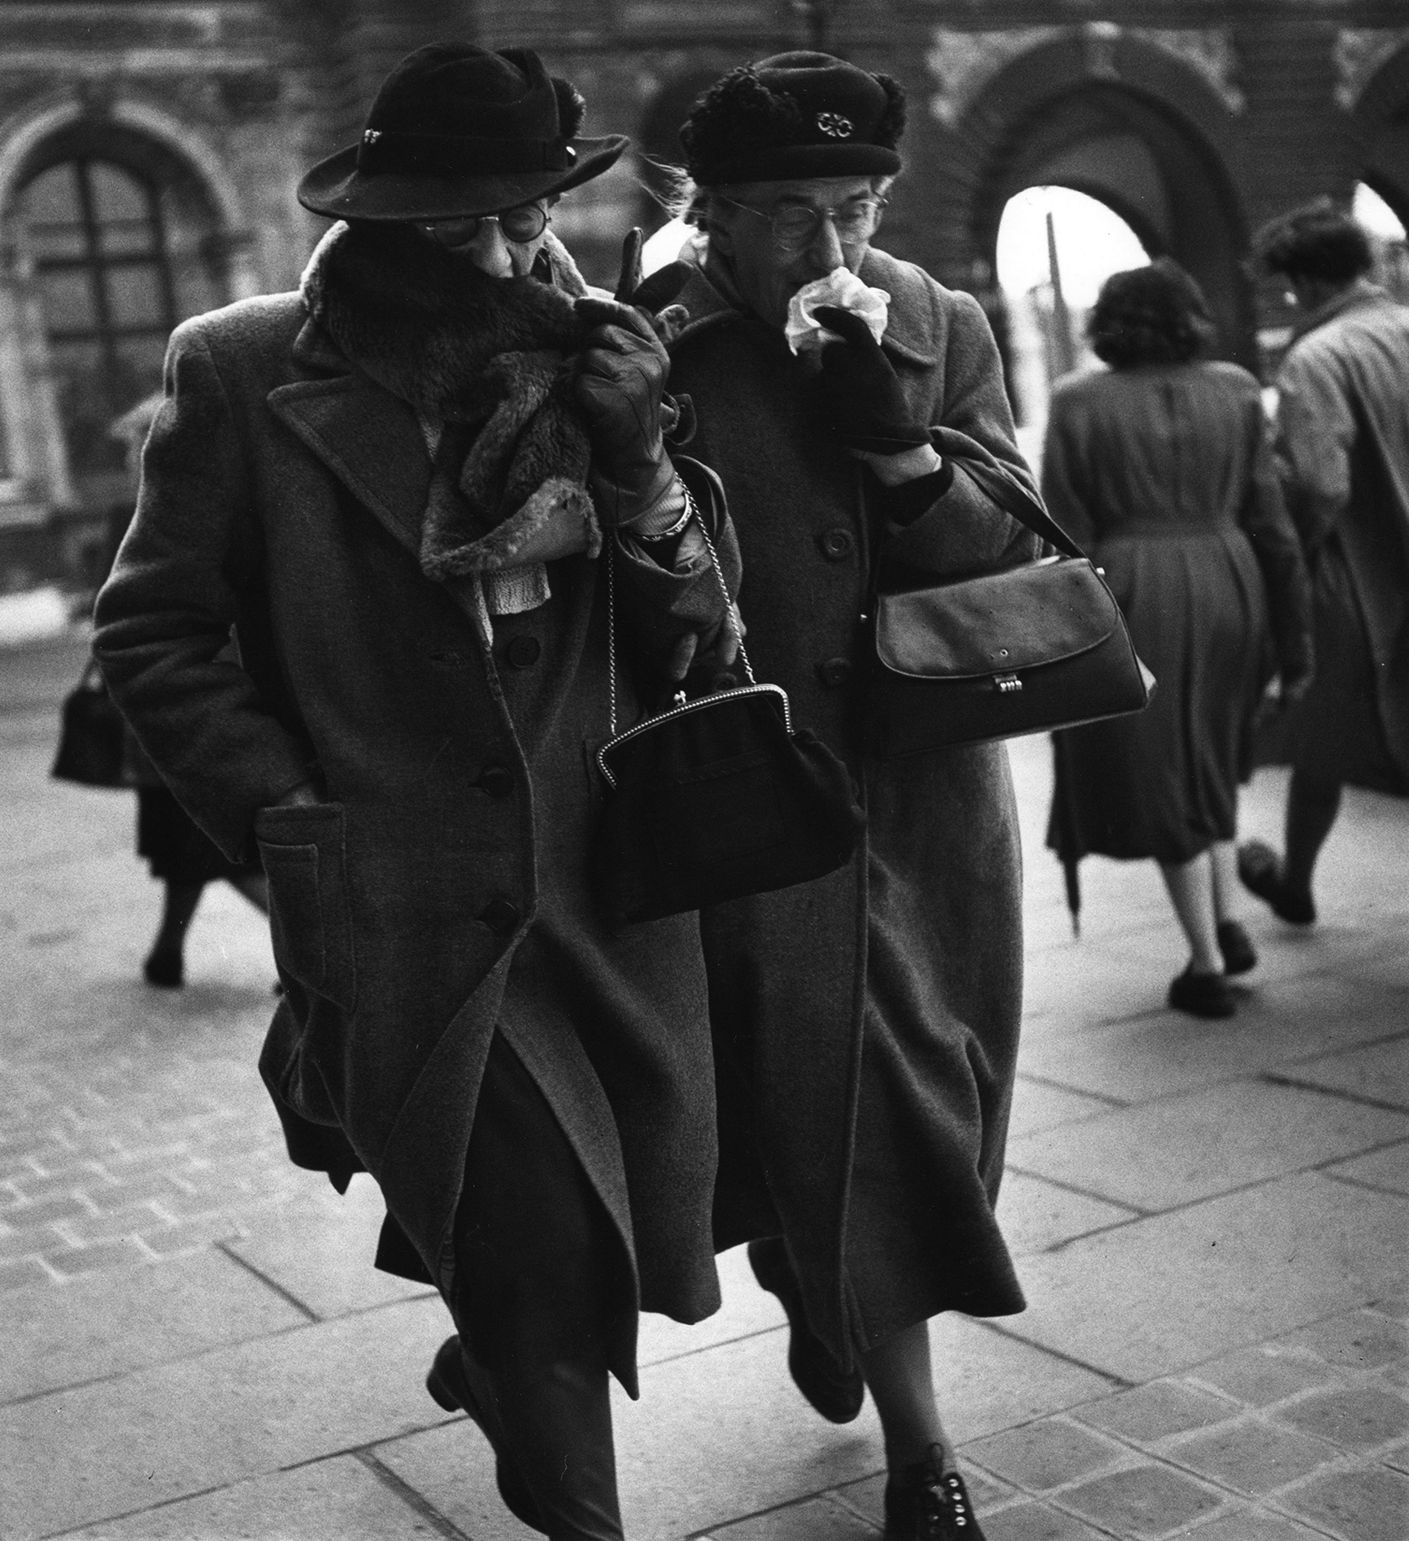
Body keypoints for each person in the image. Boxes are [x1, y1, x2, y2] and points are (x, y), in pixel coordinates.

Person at [94, 43, 740, 1541]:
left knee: (588, 1226)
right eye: (472, 227)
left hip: (602, 868)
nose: (518, 254)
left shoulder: (603, 363)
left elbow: (709, 627)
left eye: (534, 218)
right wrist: (290, 823)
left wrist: (643, 462)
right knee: (536, 1230)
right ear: (386, 223)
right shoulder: (248, 369)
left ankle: (502, 1353)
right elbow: (153, 632)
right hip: (398, 882)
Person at [662, 51, 1047, 1540]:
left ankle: (829, 1295)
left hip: (933, 780)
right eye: (789, 213)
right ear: (716, 216)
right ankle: (922, 1451)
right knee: (848, 1096)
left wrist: (896, 446)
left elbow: (1003, 552)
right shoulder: (650, 341)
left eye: (858, 202)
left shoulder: (934, 317)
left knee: (946, 1091)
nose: (830, 248)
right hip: (763, 797)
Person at [1040, 261, 1313, 1018]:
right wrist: (1293, 646)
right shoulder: (1232, 388)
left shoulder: (1075, 400)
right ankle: (1223, 923)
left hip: (1131, 589)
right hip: (1233, 579)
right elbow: (1273, 524)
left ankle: (1203, 964)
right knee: (1210, 758)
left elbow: (1065, 531)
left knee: (1162, 771)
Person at [1239, 200, 1409, 925]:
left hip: (1367, 580)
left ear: (1305, 285)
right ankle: (1295, 882)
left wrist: (1293, 556)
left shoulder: (1317, 357)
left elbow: (1318, 483)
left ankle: (1298, 882)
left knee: (1331, 731)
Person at [107, 393, 271, 989]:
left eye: (134, 445)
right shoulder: (149, 512)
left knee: (202, 844)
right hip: (186, 702)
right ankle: (166, 952)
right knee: (189, 849)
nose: (128, 457)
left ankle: (304, 942)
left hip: (197, 703)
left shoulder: (176, 516)